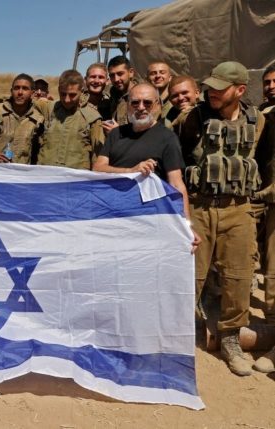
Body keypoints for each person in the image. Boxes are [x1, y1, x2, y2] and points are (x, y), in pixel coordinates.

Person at [174, 61, 266, 377]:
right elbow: (177, 158)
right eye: (210, 86)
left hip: (238, 208)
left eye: (220, 87)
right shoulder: (192, 119)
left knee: (239, 277)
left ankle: (230, 340)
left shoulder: (259, 121)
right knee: (190, 275)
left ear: (239, 90)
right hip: (199, 207)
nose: (212, 92)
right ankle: (176, 336)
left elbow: (262, 161)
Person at [92, 83, 200, 252]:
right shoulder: (115, 134)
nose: (141, 107)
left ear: (158, 105)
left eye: (147, 103)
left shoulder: (167, 138)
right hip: (113, 218)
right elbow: (98, 168)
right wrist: (131, 171)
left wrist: (186, 225)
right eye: (135, 103)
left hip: (148, 221)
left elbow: (176, 185)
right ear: (128, 105)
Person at [34, 69, 105, 170]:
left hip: (75, 180)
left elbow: (98, 157)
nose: (67, 100)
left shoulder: (92, 117)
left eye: (72, 95)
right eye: (63, 94)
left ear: (81, 91)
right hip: (45, 177)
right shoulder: (49, 108)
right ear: (59, 90)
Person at [0, 73, 44, 164]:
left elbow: (38, 151)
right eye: (16, 88)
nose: (20, 92)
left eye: (25, 88)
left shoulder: (37, 120)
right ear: (11, 91)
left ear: (32, 93)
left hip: (19, 174)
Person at [102, 55, 140, 132]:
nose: (116, 79)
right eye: (112, 75)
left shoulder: (142, 95)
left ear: (131, 73)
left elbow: (147, 131)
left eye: (120, 74)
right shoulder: (113, 93)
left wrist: (119, 131)